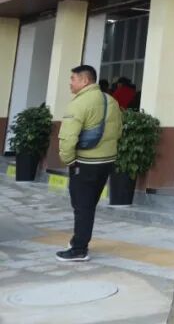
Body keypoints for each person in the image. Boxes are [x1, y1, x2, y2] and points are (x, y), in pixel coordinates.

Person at [55, 64, 122, 262]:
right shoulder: (110, 100)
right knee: (89, 203)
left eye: (73, 79)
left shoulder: (79, 103)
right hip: (106, 161)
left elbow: (68, 137)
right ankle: (78, 240)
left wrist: (68, 160)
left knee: (82, 205)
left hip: (85, 162)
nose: (70, 83)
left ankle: (79, 249)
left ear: (85, 80)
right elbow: (118, 131)